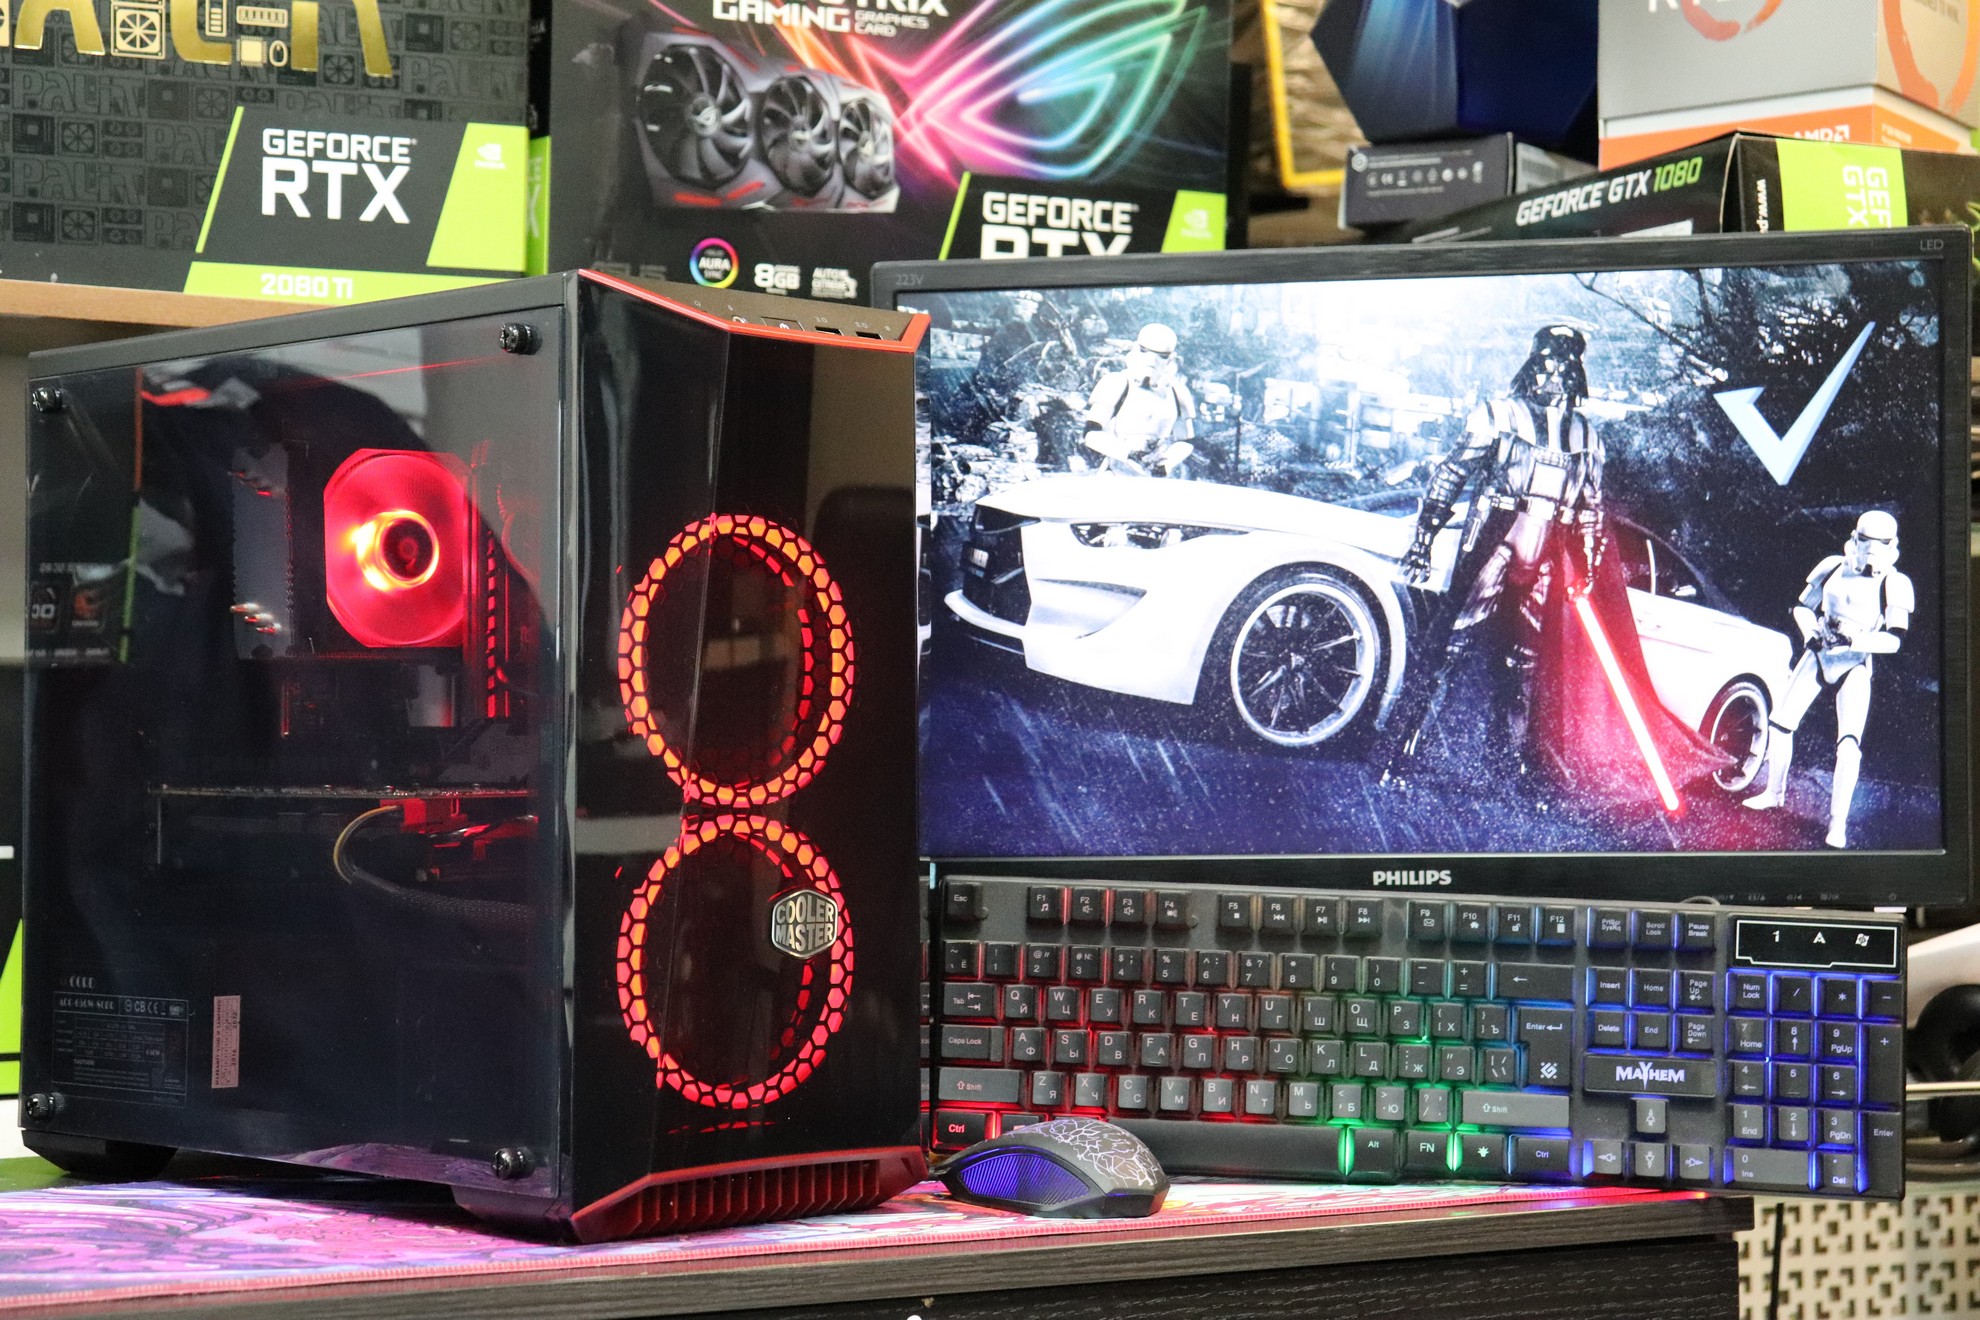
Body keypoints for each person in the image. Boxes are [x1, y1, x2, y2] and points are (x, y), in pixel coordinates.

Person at [1385, 325, 1604, 771]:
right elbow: (1452, 473)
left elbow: (1591, 506)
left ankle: (1508, 764)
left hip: (1548, 547)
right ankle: (1404, 749)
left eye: (1565, 365)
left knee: (1526, 664)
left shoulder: (1588, 437)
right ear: (1532, 364)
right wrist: (1424, 538)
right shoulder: (1497, 415)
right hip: (1499, 536)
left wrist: (1588, 566)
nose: (1555, 375)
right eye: (1547, 362)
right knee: (1450, 645)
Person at [1742, 510, 1912, 848]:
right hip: (1818, 652)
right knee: (1780, 724)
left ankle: (1838, 823)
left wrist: (1856, 641)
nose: (1870, 551)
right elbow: (1802, 607)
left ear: (1891, 546)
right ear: (1855, 539)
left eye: (1879, 544)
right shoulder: (1833, 566)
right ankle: (1774, 792)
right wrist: (1810, 632)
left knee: (1848, 745)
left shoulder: (1894, 583)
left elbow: (1895, 639)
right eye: (1865, 542)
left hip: (1853, 663)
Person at [1081, 323, 1196, 476]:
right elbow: (1091, 433)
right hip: (1117, 473)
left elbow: (1186, 441)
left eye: (1162, 356)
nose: (1152, 360)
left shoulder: (1177, 391)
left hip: (1158, 475)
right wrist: (1130, 455)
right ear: (1136, 349)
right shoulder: (1116, 382)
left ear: (1171, 358)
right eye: (1144, 351)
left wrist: (1166, 464)